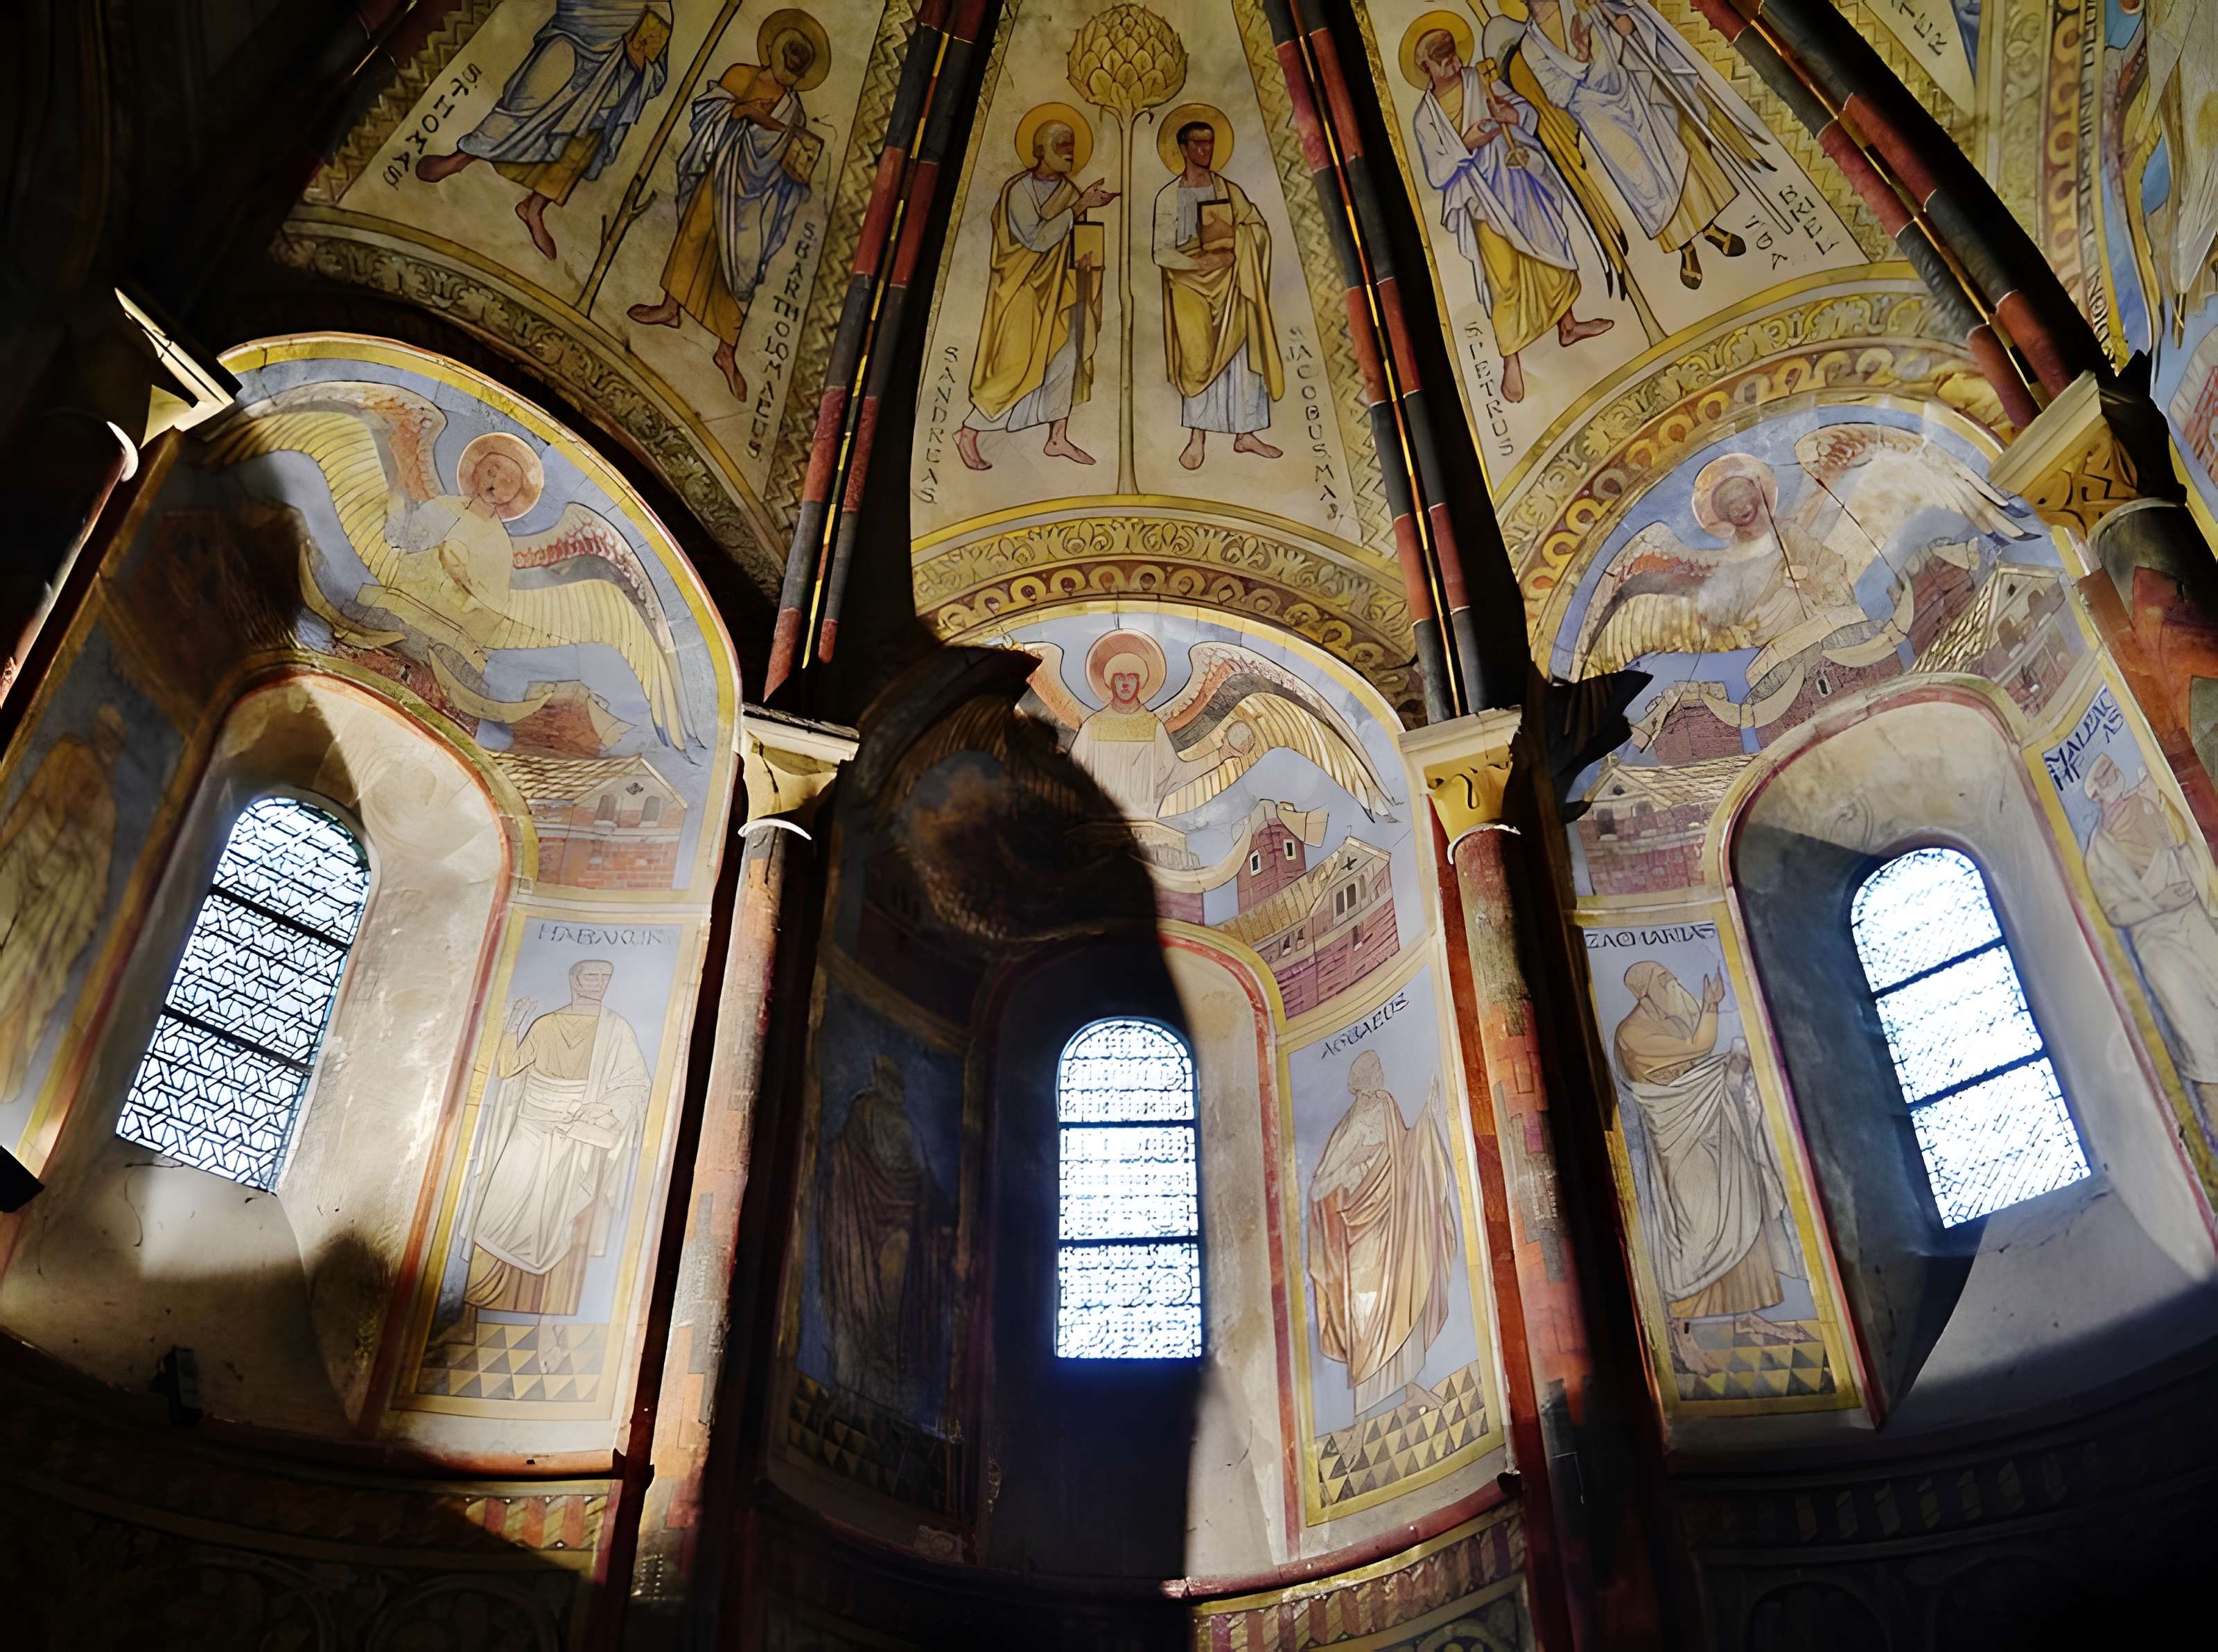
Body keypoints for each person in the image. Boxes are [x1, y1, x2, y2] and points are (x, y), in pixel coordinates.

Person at [439, 960, 651, 1365]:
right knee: (494, 1213)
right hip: (531, 1128)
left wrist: (603, 1107)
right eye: (591, 976)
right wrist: (512, 1026)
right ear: (574, 980)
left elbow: (635, 1084)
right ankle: (471, 1315)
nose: (599, 984)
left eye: (605, 977)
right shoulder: (545, 1023)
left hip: (576, 1139)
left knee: (561, 1225)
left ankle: (547, 1331)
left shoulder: (617, 1029)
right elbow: (507, 1068)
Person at [1612, 960, 1801, 1376]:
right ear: (1643, 991)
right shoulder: (1633, 1032)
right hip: (1678, 1142)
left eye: (1670, 975)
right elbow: (1698, 1052)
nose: (1673, 983)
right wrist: (1712, 1006)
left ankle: (1747, 1317)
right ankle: (1681, 1333)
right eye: (1664, 980)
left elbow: (1694, 1071)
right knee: (1699, 1230)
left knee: (1743, 1210)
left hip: (1712, 1128)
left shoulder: (1672, 1023)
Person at [1408, 26, 1611, 403]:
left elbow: (1522, 110)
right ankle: (1512, 361)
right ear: (1425, 67)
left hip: (1514, 176)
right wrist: (1466, 145)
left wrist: (1509, 114)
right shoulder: (1426, 118)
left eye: (1453, 55)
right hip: (1480, 198)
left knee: (1549, 246)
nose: (1451, 64)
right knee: (1504, 281)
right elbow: (1437, 173)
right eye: (1442, 60)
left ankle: (1568, 324)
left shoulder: (1479, 78)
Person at [627, 25, 824, 401]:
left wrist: (760, 118)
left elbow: (790, 147)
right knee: (694, 236)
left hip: (756, 200)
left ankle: (726, 350)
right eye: (788, 65)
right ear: (776, 53)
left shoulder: (792, 108)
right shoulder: (741, 75)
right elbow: (711, 111)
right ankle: (670, 308)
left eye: (797, 72)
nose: (789, 76)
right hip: (721, 173)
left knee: (740, 266)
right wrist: (741, 112)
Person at [1517, 0, 1762, 290]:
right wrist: (1581, 60)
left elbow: (1621, 22)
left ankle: (1711, 230)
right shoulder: (1532, 46)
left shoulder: (1579, 4)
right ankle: (1685, 248)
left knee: (1670, 153)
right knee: (1643, 180)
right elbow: (1557, 95)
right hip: (1597, 117)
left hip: (1626, 86)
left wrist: (1624, 24)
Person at [415, 1, 674, 261]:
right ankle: (459, 159)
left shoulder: (661, 7)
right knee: (524, 101)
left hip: (612, 74)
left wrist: (637, 58)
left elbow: (653, 69)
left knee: (577, 144)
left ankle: (534, 208)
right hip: (571, 34)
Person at [1306, 1051, 1460, 1416]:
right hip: (1362, 1227)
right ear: (1361, 1080)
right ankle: (1369, 1411)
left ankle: (1405, 1390)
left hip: (1393, 1219)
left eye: (1379, 1068)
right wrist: (1355, 1164)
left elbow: (1404, 1152)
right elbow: (1319, 1186)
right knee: (1370, 1308)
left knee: (1398, 1298)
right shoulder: (1353, 1126)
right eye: (1373, 1071)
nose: (1380, 1074)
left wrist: (1426, 1124)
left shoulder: (1387, 1104)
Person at [957, 118, 1115, 471]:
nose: (1069, 153)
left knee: (1069, 353)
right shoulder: (1020, 190)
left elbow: (1073, 239)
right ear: (1040, 149)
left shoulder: (1070, 192)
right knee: (1014, 364)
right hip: (1023, 290)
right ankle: (969, 431)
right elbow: (1037, 239)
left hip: (1064, 289)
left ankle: (1057, 437)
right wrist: (1078, 208)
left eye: (1072, 146)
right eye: (1061, 145)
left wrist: (1088, 262)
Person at [0, 707, 126, 1104]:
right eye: (105, 735)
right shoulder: (66, 755)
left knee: (19, 989)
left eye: (115, 743)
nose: (107, 749)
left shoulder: (106, 807)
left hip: (48, 918)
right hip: (19, 872)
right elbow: (29, 805)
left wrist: (78, 921)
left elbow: (96, 890)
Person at [2082, 755, 2218, 1119]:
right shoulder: (2100, 850)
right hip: (2157, 942)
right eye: (2106, 776)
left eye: (2114, 770)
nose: (2114, 778)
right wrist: (2158, 903)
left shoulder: (2147, 804)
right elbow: (2114, 909)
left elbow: (2182, 845)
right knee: (2198, 1035)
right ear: (2097, 794)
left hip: (2190, 916)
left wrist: (2184, 879)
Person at [1149, 116, 1283, 468]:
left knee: (1239, 356)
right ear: (1182, 149)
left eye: (1209, 143)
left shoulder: (1228, 190)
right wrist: (1200, 264)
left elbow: (1256, 226)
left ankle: (1246, 433)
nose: (1204, 150)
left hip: (1232, 284)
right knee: (1196, 358)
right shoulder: (1168, 197)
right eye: (1197, 144)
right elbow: (1160, 252)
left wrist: (1238, 247)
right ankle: (1197, 437)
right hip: (1189, 288)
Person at [820, 1055, 948, 1408]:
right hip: (867, 1223)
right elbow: (845, 1154)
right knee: (864, 1291)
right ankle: (867, 1366)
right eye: (888, 1078)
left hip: (900, 1223)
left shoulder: (902, 1123)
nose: (894, 1086)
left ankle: (890, 1359)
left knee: (894, 1292)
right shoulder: (863, 1111)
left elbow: (920, 1176)